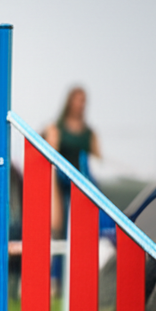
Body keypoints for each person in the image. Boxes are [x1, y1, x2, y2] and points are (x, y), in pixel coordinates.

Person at [44, 85, 100, 234]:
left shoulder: (89, 132)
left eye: (83, 101)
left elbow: (97, 158)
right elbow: (46, 146)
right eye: (78, 100)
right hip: (61, 179)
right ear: (69, 102)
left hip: (83, 178)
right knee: (60, 220)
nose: (81, 104)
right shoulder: (56, 127)